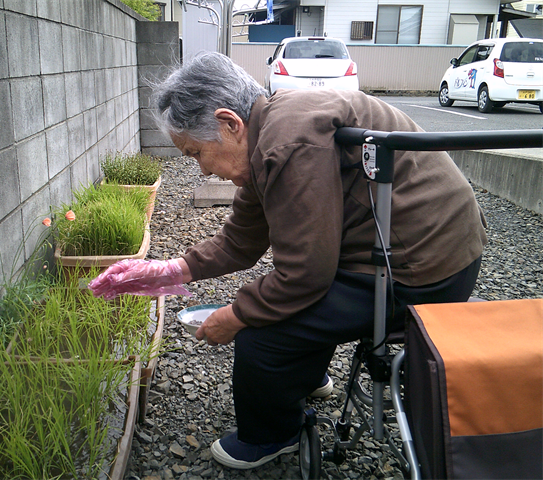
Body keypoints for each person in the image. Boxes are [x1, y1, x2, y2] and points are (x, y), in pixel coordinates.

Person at [90, 52, 487, 470]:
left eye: (195, 153)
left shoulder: (287, 140)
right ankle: (307, 378)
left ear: (230, 123)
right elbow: (241, 241)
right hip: (428, 253)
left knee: (261, 339)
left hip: (420, 270)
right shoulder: (270, 132)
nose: (202, 169)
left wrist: (236, 315)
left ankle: (271, 436)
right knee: (290, 303)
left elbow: (305, 274)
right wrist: (167, 271)